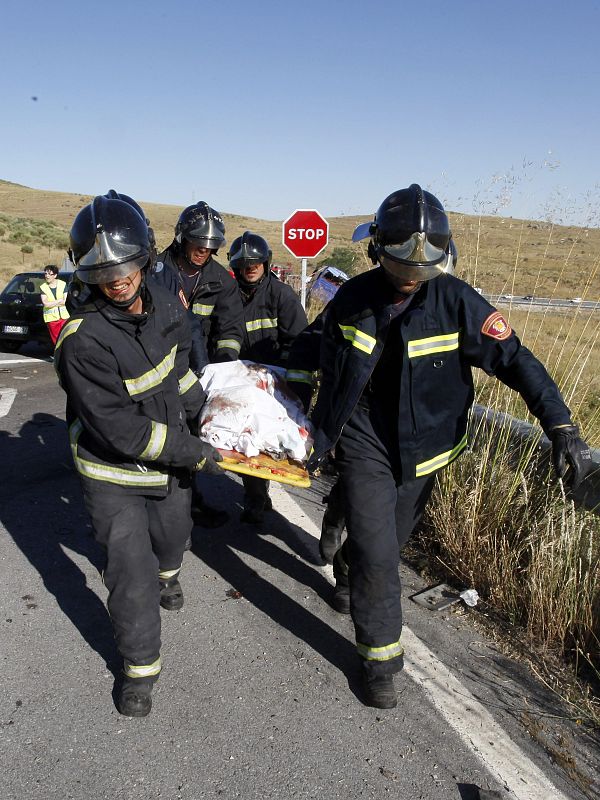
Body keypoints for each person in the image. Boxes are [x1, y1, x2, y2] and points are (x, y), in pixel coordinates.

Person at [304, 183, 594, 710]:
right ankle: (379, 660)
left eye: (423, 270)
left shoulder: (458, 301)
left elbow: (517, 361)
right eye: (401, 268)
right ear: (377, 253)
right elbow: (317, 350)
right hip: (364, 438)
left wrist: (561, 426)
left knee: (381, 542)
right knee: (380, 553)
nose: (412, 279)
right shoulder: (351, 299)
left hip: (426, 450)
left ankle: (349, 566)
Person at [54, 191, 223, 717]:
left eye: (125, 265)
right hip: (113, 472)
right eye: (103, 270)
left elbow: (178, 373)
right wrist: (191, 451)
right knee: (128, 570)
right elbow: (122, 432)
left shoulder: (166, 301)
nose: (117, 278)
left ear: (146, 256)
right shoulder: (82, 341)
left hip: (168, 465)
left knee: (172, 538)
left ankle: (169, 572)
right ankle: (138, 669)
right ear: (86, 272)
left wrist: (212, 416)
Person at [150, 202, 244, 528]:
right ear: (182, 238)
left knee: (191, 437)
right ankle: (172, 509)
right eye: (198, 243)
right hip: (159, 371)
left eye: (210, 246)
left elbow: (229, 329)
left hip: (199, 375)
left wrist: (225, 368)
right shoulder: (154, 271)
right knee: (167, 437)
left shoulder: (221, 281)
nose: (203, 251)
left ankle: (187, 503)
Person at [227, 231, 308, 523]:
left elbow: (300, 343)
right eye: (244, 265)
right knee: (242, 440)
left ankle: (256, 498)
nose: (250, 270)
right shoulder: (228, 296)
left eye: (255, 264)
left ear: (265, 264)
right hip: (239, 380)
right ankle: (256, 495)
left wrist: (288, 384)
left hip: (275, 380)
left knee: (266, 439)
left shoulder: (282, 296)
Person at [40, 265, 70, 345]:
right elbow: (46, 304)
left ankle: (65, 355)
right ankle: (59, 355)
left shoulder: (63, 284)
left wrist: (53, 303)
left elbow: (65, 301)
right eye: (46, 274)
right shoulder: (43, 287)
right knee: (57, 341)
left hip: (64, 317)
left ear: (55, 275)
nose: (47, 276)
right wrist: (59, 301)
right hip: (52, 319)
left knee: (67, 338)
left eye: (49, 274)